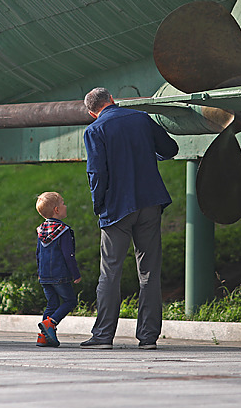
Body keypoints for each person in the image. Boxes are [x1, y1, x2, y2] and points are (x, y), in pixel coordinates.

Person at [80, 87, 179, 350]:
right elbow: (170, 149)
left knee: (110, 272)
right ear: (112, 100)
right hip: (150, 202)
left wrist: (99, 204)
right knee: (149, 272)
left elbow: (97, 173)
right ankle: (148, 338)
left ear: (92, 112)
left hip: (117, 208)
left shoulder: (94, 130)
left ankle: (103, 336)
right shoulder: (141, 118)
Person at [35, 191, 82, 347]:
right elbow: (68, 255)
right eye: (63, 203)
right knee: (70, 301)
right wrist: (75, 274)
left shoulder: (41, 230)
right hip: (60, 275)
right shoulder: (64, 231)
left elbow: (38, 254)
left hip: (44, 276)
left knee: (52, 304)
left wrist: (40, 274)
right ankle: (51, 323)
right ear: (56, 210)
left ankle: (43, 337)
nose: (65, 206)